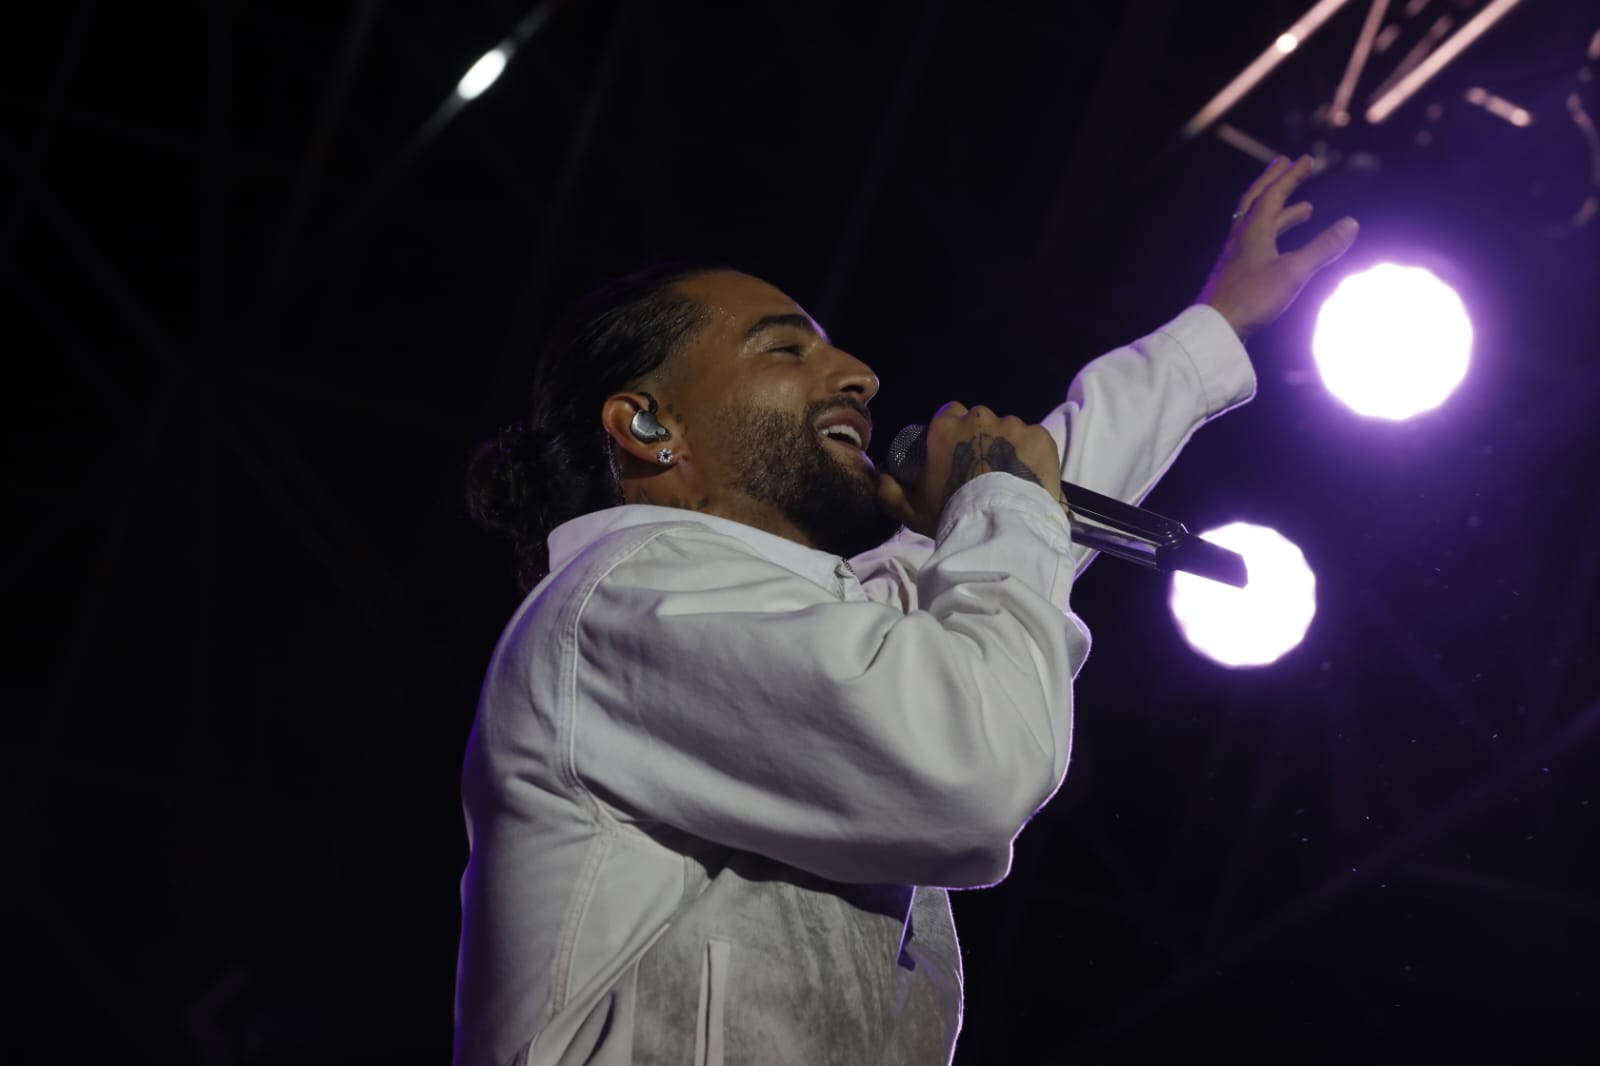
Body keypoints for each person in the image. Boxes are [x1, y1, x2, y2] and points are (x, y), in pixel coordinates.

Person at [453, 156, 1357, 1066]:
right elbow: (970, 759)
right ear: (649, 425)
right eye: (785, 349)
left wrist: (1215, 328)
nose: (859, 374)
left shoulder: (781, 619)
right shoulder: (627, 593)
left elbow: (1030, 506)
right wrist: (1003, 508)